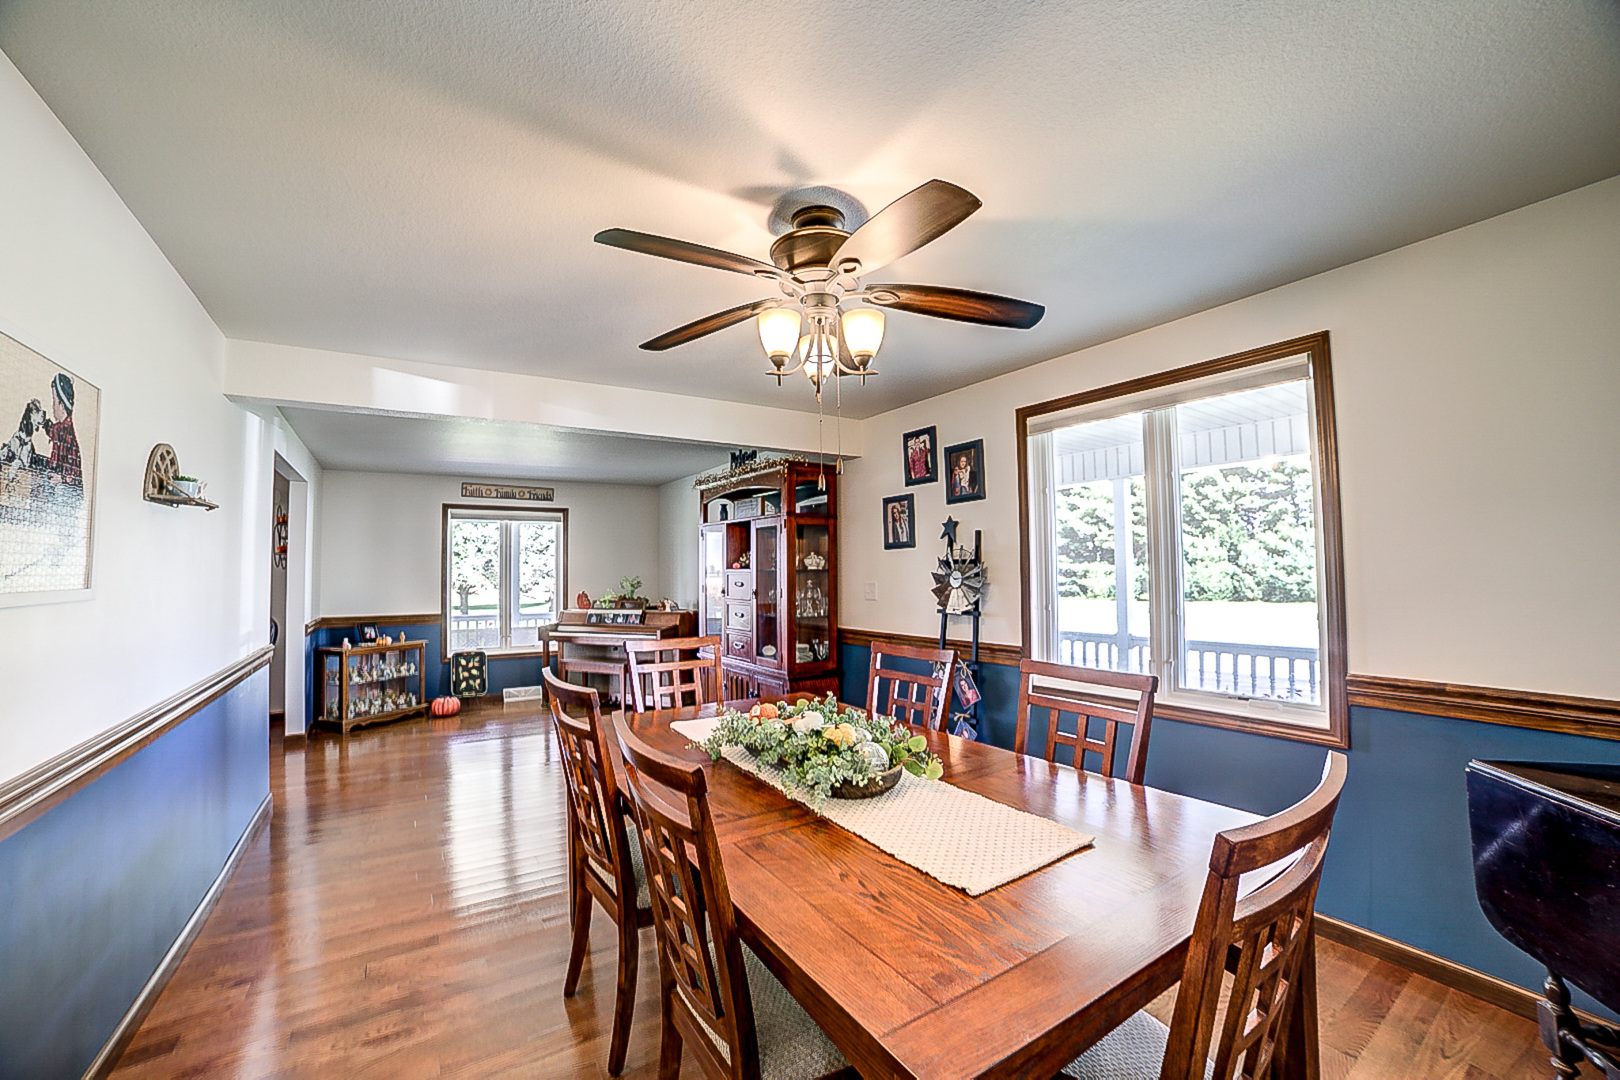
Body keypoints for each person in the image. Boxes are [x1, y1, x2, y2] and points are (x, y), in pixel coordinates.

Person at [42, 373, 82, 488]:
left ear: (61, 405)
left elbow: (76, 474)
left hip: (64, 487)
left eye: (54, 401)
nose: (52, 406)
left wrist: (61, 479)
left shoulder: (67, 432)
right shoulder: (60, 428)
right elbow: (52, 431)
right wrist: (43, 421)